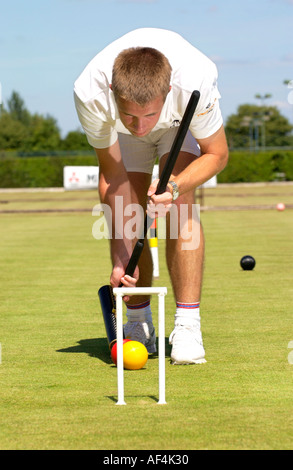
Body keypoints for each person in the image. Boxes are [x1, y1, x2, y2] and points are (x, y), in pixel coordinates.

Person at [74, 28, 229, 365]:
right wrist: (120, 254)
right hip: (119, 131)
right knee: (130, 212)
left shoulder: (194, 83)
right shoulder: (91, 94)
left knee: (180, 204)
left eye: (148, 115)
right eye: (132, 114)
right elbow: (111, 177)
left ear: (168, 91)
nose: (141, 126)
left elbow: (217, 154)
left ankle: (188, 325)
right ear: (113, 91)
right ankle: (138, 319)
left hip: (178, 122)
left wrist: (173, 188)